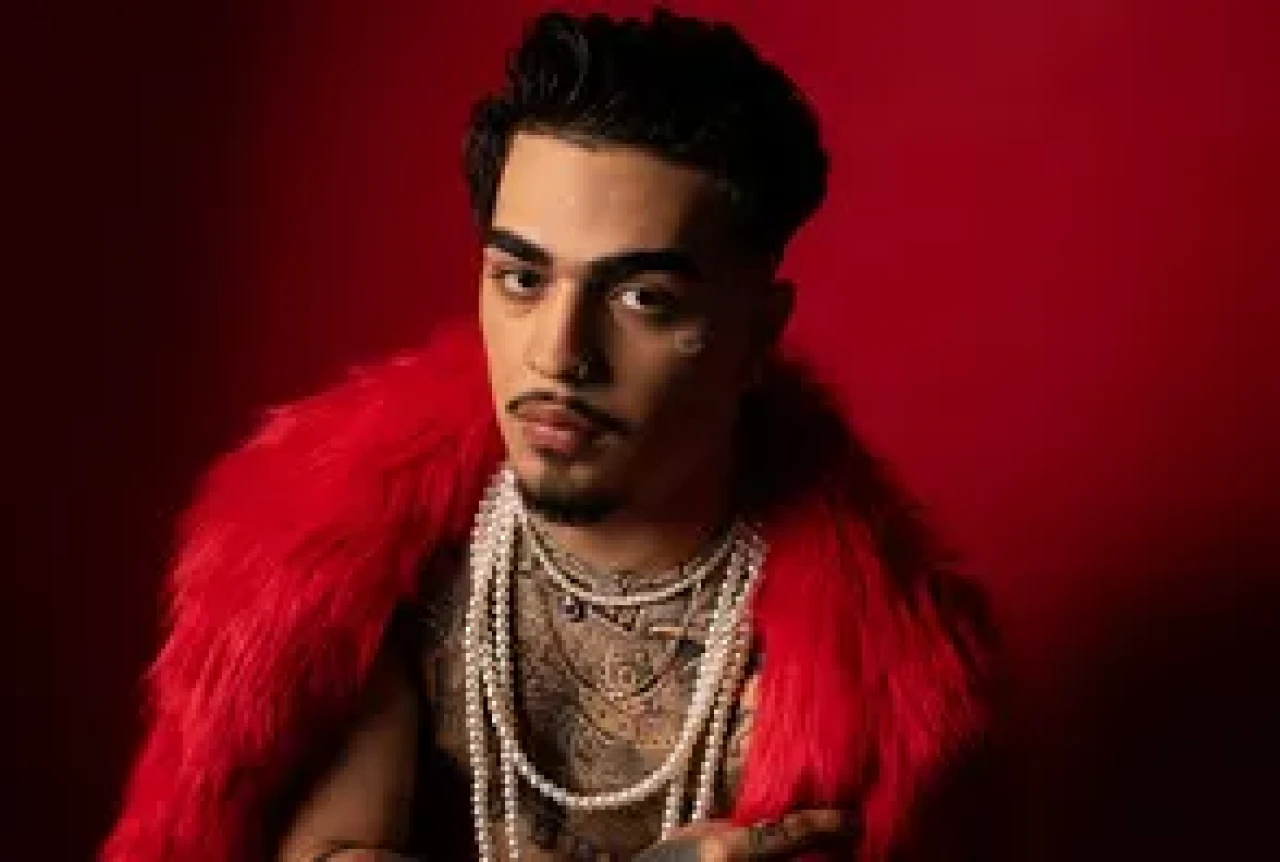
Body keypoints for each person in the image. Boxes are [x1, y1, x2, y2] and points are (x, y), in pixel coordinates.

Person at [104, 9, 995, 862]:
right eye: (523, 278)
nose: (559, 354)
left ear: (757, 334)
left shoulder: (856, 689)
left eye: (644, 297)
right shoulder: (378, 563)